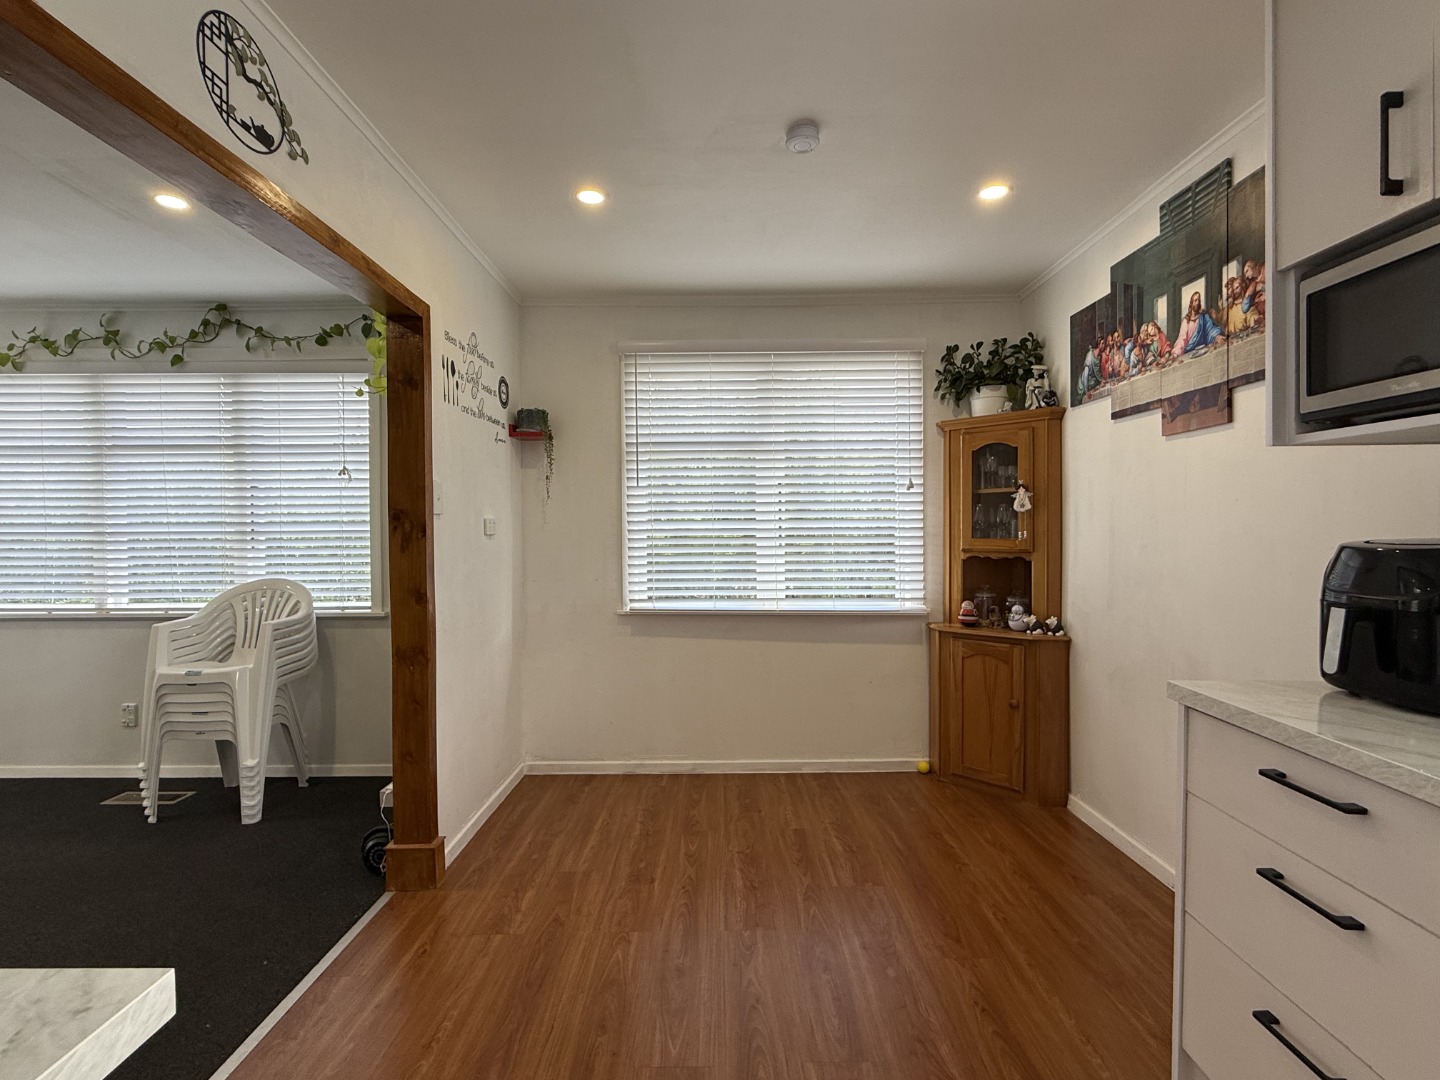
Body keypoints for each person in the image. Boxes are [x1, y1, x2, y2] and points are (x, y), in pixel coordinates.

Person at [1171, 291, 1226, 358]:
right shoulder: (1186, 321)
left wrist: (1216, 337)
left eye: (1199, 300)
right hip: (1190, 353)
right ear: (1191, 303)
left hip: (1204, 350)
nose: (1197, 303)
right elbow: (1182, 339)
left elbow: (1210, 330)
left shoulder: (1203, 316)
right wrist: (1176, 353)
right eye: (1195, 300)